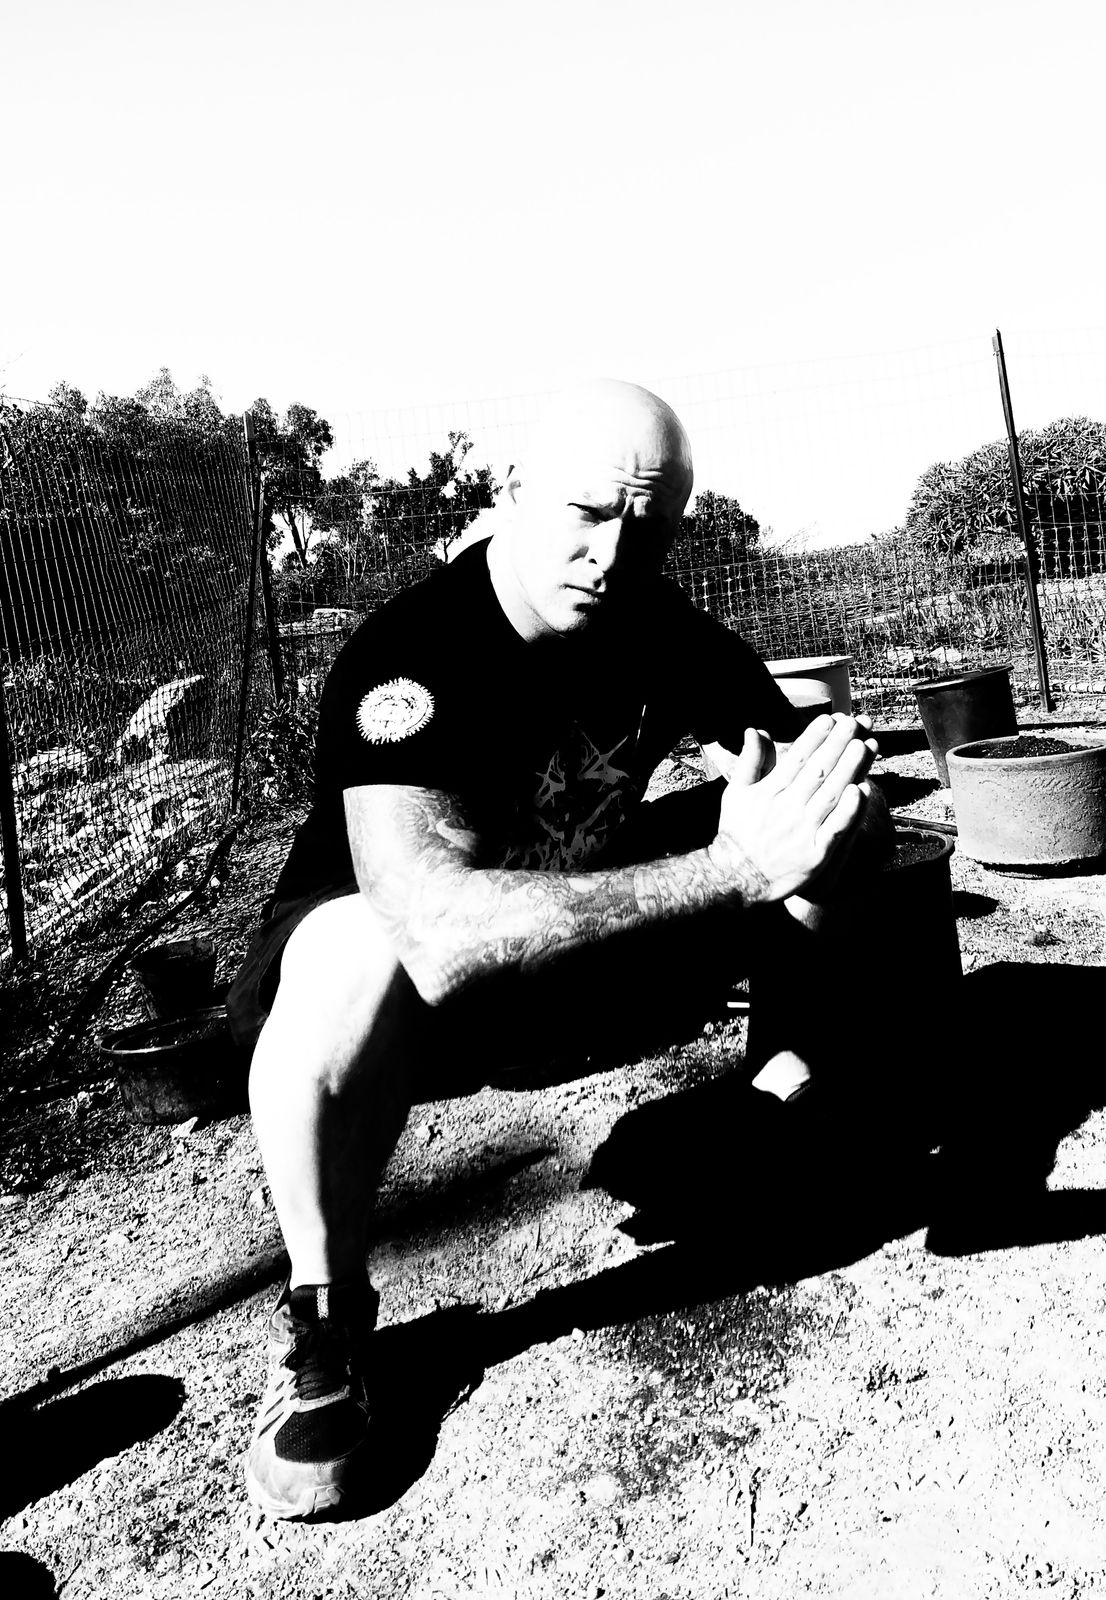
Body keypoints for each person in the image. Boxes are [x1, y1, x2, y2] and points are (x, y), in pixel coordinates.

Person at [227, 378, 888, 1520]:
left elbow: (809, 791)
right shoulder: (414, 651)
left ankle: (783, 1096)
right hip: (391, 1003)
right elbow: (434, 935)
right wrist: (735, 869)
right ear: (514, 492)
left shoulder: (665, 632)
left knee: (803, 822)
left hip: (553, 970)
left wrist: (836, 797)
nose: (611, 555)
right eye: (586, 512)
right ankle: (329, 1322)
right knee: (358, 946)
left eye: (649, 529)